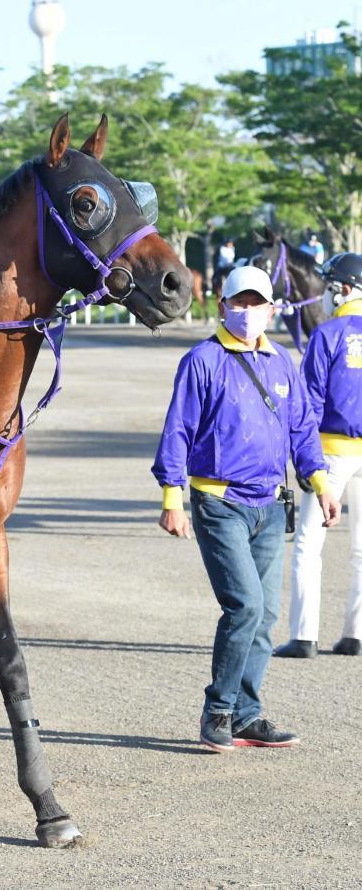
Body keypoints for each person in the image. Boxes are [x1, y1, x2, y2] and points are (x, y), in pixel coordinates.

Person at [153, 266, 340, 753]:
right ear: (222, 306)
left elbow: (301, 426)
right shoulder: (202, 360)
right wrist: (172, 498)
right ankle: (217, 710)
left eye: (257, 304)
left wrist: (320, 482)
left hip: (270, 505)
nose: (248, 312)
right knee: (245, 606)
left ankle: (246, 714)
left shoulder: (281, 361)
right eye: (240, 302)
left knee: (266, 615)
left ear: (272, 309)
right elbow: (177, 430)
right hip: (219, 502)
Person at [275, 252, 362, 659]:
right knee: (361, 549)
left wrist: (300, 456)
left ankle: (304, 635)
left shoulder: (327, 335)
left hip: (330, 451)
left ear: (340, 288)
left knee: (309, 545)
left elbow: (306, 401)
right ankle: (354, 634)